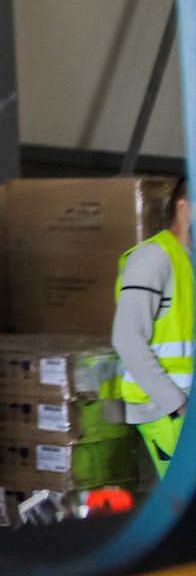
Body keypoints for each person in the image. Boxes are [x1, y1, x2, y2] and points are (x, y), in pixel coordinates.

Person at [112, 174, 193, 478]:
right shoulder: (153, 259)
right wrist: (177, 404)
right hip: (169, 411)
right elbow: (128, 338)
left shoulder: (188, 261)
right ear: (184, 208)